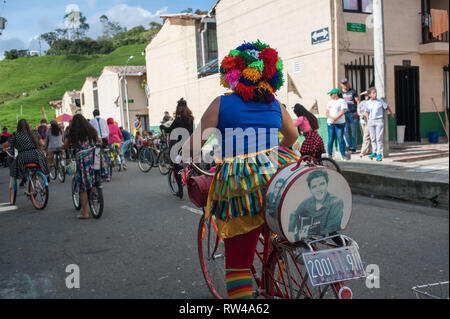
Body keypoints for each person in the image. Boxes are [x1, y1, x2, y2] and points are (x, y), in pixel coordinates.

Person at [182, 41, 299, 299]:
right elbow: (292, 136)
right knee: (277, 236)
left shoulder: (221, 104)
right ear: (270, 75)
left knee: (237, 265)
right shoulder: (276, 105)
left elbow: (192, 148)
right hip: (279, 177)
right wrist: (273, 153)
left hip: (243, 187)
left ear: (231, 74)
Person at [61, 114, 110, 219]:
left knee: (83, 186)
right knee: (96, 175)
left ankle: (84, 212)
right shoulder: (91, 130)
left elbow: (66, 145)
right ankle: (95, 194)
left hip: (83, 158)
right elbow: (99, 140)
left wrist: (59, 147)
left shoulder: (72, 132)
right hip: (94, 154)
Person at [288, 169, 343, 241]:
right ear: (310, 189)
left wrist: (307, 233)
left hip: (319, 235)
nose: (318, 189)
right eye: (314, 187)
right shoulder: (307, 202)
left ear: (327, 184)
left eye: (322, 184)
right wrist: (290, 232)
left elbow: (331, 228)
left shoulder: (336, 202)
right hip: (306, 236)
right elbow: (294, 214)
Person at [0, 119, 50, 184]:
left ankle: (23, 179)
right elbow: (42, 144)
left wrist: (1, 146)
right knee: (40, 165)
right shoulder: (34, 133)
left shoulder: (16, 135)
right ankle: (36, 180)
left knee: (15, 167)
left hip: (23, 156)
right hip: (36, 155)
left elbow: (7, 144)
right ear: (27, 125)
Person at [165, 98, 194, 199]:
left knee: (177, 168)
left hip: (179, 148)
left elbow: (169, 130)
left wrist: (162, 127)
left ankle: (180, 190)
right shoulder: (191, 119)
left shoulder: (177, 120)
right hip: (190, 146)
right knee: (191, 167)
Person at [365, 87, 394, 162]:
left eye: (375, 92)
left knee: (379, 138)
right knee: (372, 137)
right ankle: (374, 152)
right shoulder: (367, 103)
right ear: (370, 95)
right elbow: (367, 111)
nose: (375, 94)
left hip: (379, 121)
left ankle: (379, 154)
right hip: (371, 121)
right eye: (373, 93)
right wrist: (368, 119)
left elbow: (387, 107)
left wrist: (391, 113)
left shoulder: (380, 101)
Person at [325, 88, 348, 160]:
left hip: (339, 123)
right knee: (330, 139)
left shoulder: (342, 101)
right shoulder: (330, 102)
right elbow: (326, 112)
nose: (330, 96)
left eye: (331, 94)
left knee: (340, 139)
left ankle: (343, 154)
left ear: (335, 94)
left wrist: (335, 118)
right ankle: (329, 155)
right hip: (330, 123)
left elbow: (342, 111)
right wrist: (331, 118)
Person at [339, 78, 360, 154]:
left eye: (346, 83)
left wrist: (357, 111)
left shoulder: (353, 91)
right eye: (343, 84)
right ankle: (348, 146)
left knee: (354, 131)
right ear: (341, 85)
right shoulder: (340, 93)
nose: (345, 85)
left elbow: (358, 101)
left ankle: (353, 147)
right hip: (344, 114)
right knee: (345, 131)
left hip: (352, 113)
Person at [357, 91, 372, 157]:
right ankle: (369, 150)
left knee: (366, 136)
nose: (366, 96)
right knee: (365, 136)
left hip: (369, 121)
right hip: (362, 122)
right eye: (365, 95)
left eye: (367, 95)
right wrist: (360, 115)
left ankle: (363, 151)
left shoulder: (371, 102)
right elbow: (358, 111)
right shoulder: (362, 103)